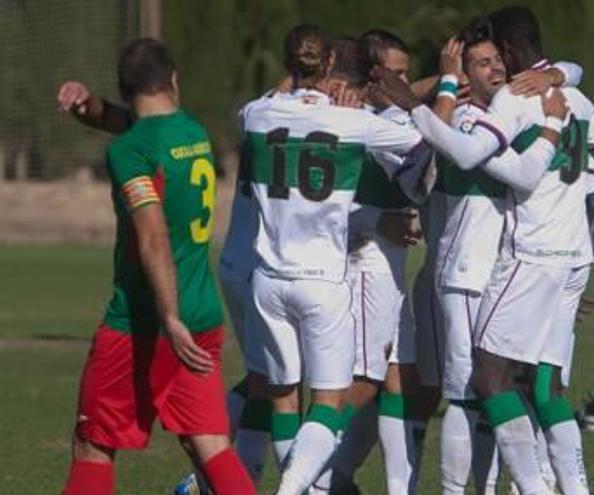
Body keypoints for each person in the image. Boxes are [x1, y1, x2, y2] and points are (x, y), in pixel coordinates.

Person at [375, 7, 594, 494]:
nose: (494, 70)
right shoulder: (470, 117)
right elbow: (418, 177)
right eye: (481, 63)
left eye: (497, 59)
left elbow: (528, 149)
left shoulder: (509, 108)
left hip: (515, 266)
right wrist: (438, 95)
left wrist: (555, 76)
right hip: (470, 268)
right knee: (472, 393)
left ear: (510, 57)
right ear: (462, 73)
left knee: (503, 389)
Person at [58, 38, 255, 495]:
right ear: (174, 81)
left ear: (126, 91)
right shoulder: (192, 131)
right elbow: (131, 124)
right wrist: (88, 107)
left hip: (145, 325)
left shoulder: (129, 152)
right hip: (202, 318)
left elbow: (152, 238)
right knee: (211, 444)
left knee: (93, 443)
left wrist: (168, 317)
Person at [240, 23, 431, 495]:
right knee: (328, 403)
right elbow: (425, 143)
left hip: (268, 279)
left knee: (282, 398)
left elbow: (260, 103)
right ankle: (295, 491)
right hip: (323, 280)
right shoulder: (353, 123)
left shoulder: (256, 116)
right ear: (329, 66)